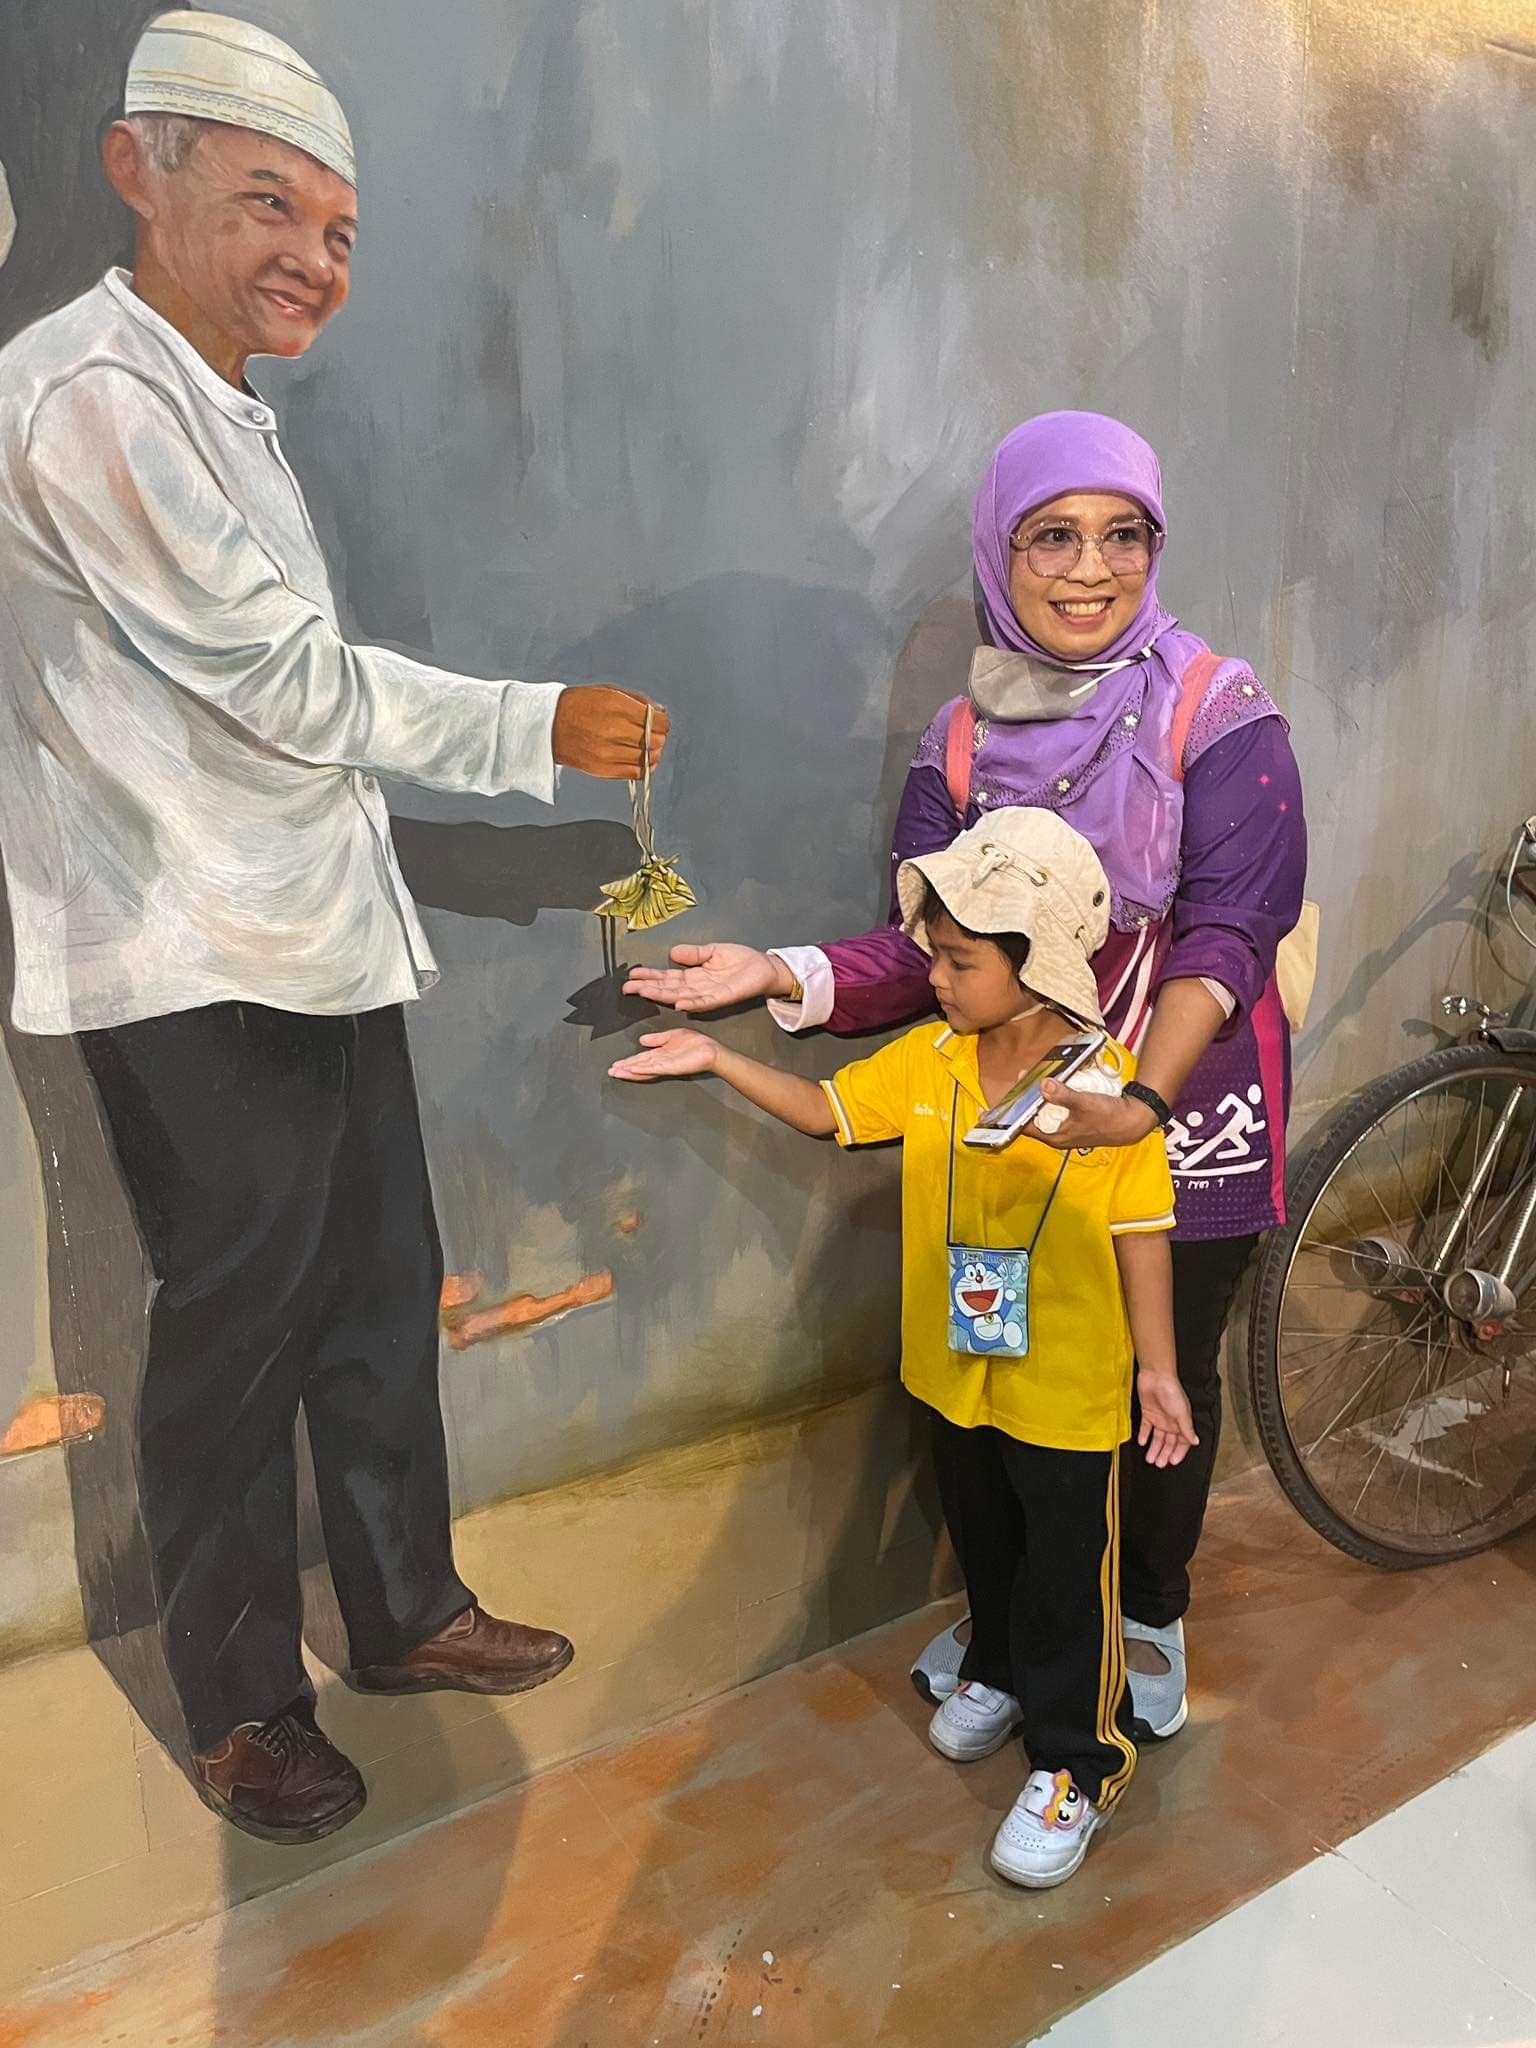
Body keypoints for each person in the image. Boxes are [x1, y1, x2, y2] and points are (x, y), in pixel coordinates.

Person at [0, 12, 671, 1846]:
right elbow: (285, 684)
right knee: (235, 1330)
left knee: (377, 1279)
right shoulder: (82, 400)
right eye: (269, 205)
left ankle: (404, 1607)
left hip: (303, 932)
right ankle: (239, 1705)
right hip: (185, 954)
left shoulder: (203, 395)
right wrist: (535, 725)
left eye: (341, 232)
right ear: (136, 174)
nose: (314, 258)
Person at [628, 412, 1306, 1741]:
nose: (1090, 568)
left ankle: (1144, 1608)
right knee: (1014, 1387)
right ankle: (1029, 1619)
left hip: (1179, 1114)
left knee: (1156, 1375)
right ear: (1001, 550)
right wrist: (779, 973)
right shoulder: (961, 739)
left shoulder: (1218, 713)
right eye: (1053, 536)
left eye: (1123, 535)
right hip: (1011, 1121)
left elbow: (1228, 934)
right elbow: (924, 945)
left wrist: (1137, 1106)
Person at [612, 807, 1191, 1888]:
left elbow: (1143, 1232)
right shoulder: (930, 1058)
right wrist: (719, 1059)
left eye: (961, 961)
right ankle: (999, 1670)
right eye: (936, 952)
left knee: (1070, 1576)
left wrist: (1157, 1370)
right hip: (953, 1371)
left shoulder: (1108, 1095)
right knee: (986, 1540)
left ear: (1037, 965)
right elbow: (827, 1110)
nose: (935, 976)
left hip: (1067, 1390)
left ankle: (1077, 1762)